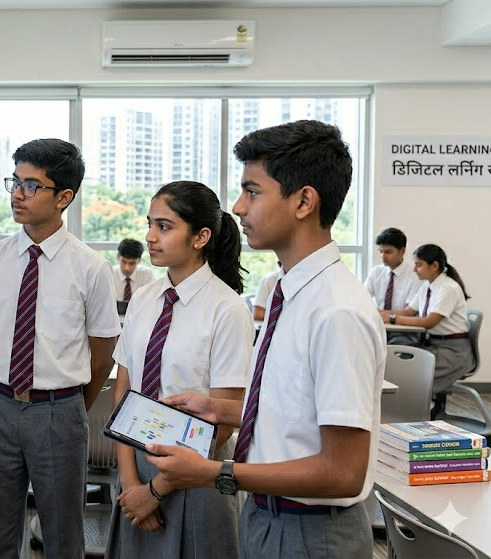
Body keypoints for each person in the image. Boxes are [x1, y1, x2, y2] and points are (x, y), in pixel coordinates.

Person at [144, 120, 385, 559]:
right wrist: (221, 410)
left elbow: (343, 472)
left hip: (311, 533)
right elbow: (297, 417)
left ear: (304, 201)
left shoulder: (336, 311)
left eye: (252, 191)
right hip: (265, 514)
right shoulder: (287, 291)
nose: (237, 207)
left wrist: (214, 471)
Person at [0, 138, 121, 559]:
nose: (18, 193)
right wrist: (6, 383)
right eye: (15, 182)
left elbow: (103, 349)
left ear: (64, 197)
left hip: (58, 413)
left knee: (61, 534)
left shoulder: (90, 267)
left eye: (32, 185)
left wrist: (68, 402)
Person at [105, 180, 253, 559]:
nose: (150, 237)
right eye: (150, 223)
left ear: (201, 236)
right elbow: (124, 392)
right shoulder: (144, 297)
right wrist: (130, 480)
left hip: (197, 473)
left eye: (165, 227)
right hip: (133, 466)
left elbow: (224, 420)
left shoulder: (227, 308)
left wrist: (155, 491)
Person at [380, 243, 474, 417]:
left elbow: (429, 322)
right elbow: (408, 312)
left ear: (435, 265)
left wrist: (391, 318)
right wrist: (379, 314)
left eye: (418, 265)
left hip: (453, 352)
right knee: (397, 356)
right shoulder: (427, 286)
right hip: (434, 345)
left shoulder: (448, 288)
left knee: (412, 375)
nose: (415, 270)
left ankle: (416, 416)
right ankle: (409, 414)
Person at [363, 227, 422, 312]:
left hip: (404, 324)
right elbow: (362, 299)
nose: (383, 256)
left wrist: (380, 315)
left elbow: (410, 312)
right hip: (379, 322)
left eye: (388, 252)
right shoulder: (376, 272)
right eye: (380, 251)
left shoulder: (415, 275)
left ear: (402, 251)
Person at [113, 238, 155, 302]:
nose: (127, 268)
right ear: (118, 257)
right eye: (124, 262)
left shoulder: (146, 275)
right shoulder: (110, 274)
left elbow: (151, 300)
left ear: (139, 260)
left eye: (132, 263)